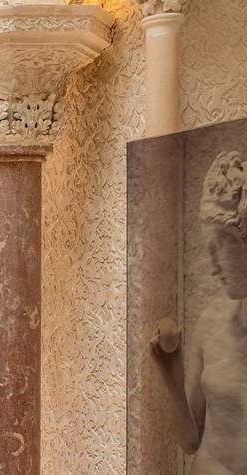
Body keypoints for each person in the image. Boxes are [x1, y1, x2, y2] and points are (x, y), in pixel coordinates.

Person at [150, 150, 247, 474]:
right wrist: (171, 372)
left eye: (219, 248)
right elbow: (190, 441)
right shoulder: (211, 324)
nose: (214, 268)